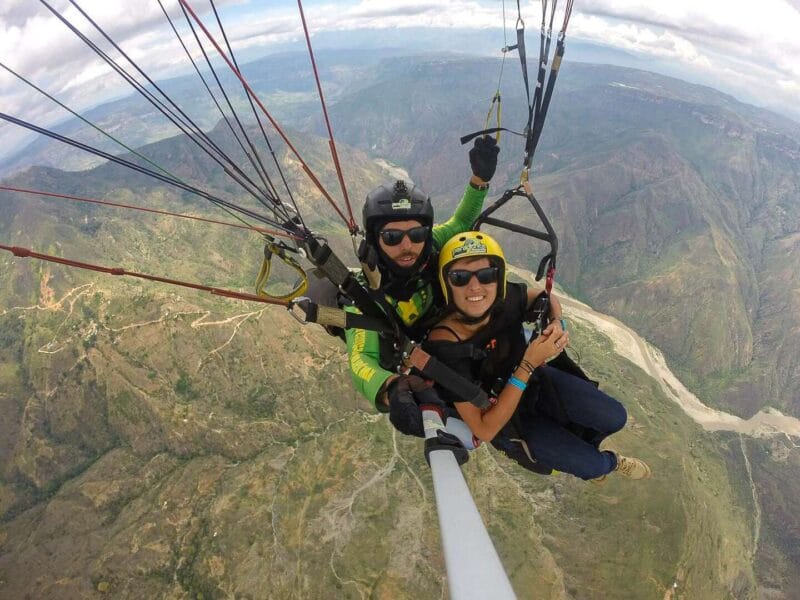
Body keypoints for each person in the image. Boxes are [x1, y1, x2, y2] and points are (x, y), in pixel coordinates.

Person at [422, 231, 652, 481]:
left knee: (615, 417)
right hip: (509, 419)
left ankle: (584, 449)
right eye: (460, 277)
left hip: (537, 383)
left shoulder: (504, 300)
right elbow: (484, 429)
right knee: (593, 467)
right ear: (446, 283)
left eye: (487, 275)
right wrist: (527, 365)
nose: (475, 286)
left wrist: (557, 322)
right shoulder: (445, 346)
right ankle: (609, 463)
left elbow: (545, 297)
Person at [345, 137, 500, 429]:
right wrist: (390, 388)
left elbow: (461, 222)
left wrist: (480, 180)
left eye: (416, 235)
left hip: (444, 334)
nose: (407, 246)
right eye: (392, 237)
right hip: (408, 351)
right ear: (375, 240)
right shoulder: (364, 293)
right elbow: (361, 359)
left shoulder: (431, 246)